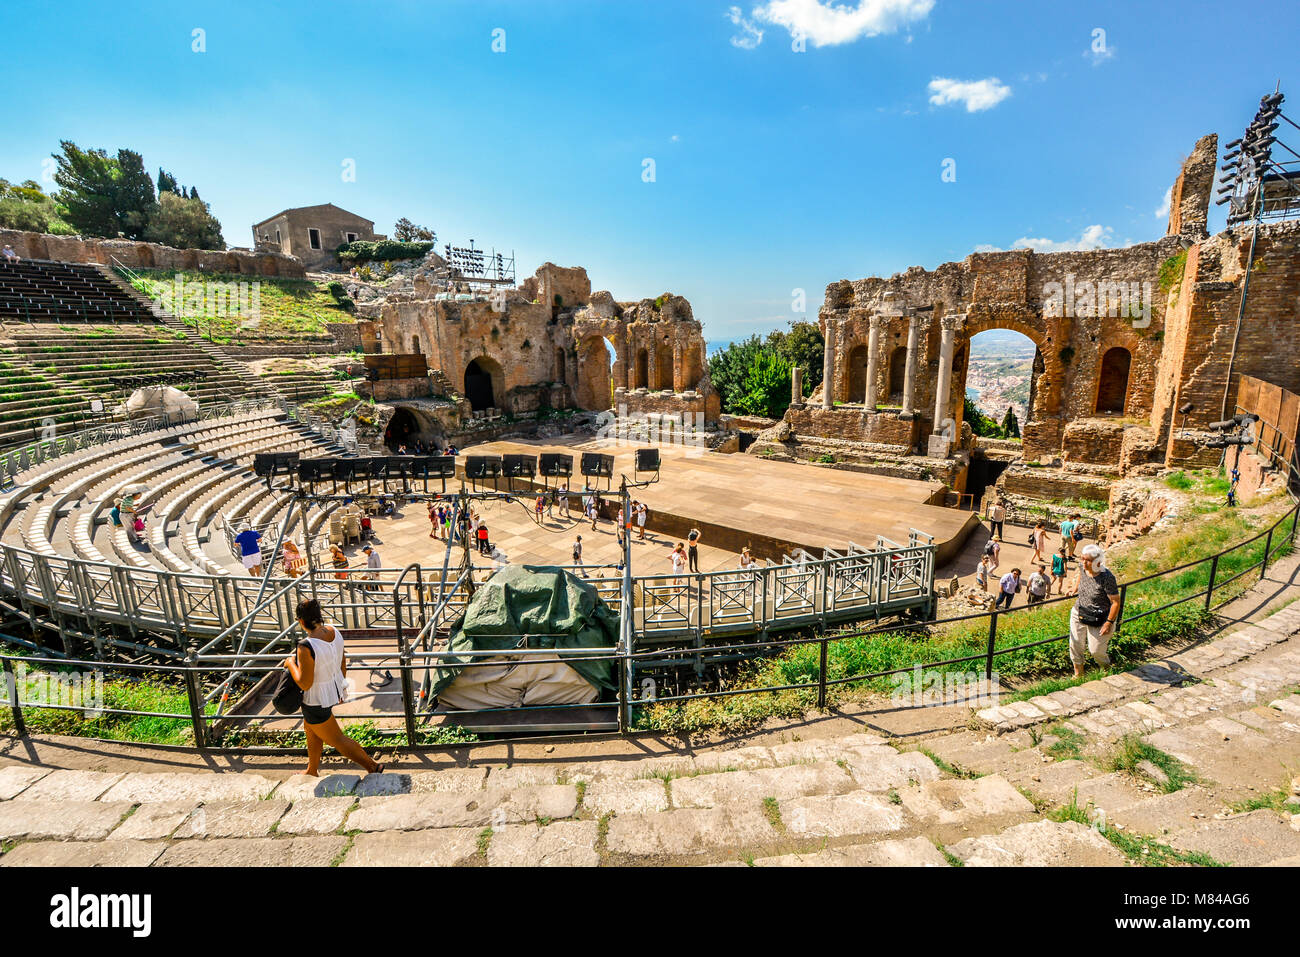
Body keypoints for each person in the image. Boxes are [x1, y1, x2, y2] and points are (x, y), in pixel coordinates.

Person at [282, 598, 383, 777]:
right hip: (330, 693)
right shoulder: (334, 631)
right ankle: (312, 770)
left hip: (315, 700)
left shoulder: (305, 646)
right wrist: (340, 686)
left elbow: (305, 683)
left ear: (301, 621)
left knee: (337, 739)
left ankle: (372, 766)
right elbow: (342, 661)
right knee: (311, 730)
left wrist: (290, 663)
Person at [1068, 543, 1121, 679]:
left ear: (1097, 561)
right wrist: (1074, 589)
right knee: (1075, 644)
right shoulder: (1082, 566)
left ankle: (1106, 668)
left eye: (1088, 560)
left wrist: (1109, 623)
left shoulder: (1107, 577)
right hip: (1079, 611)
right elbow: (1081, 575)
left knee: (1096, 650)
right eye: (1082, 558)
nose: (1084, 563)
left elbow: (1115, 602)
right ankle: (1078, 674)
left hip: (1100, 617)